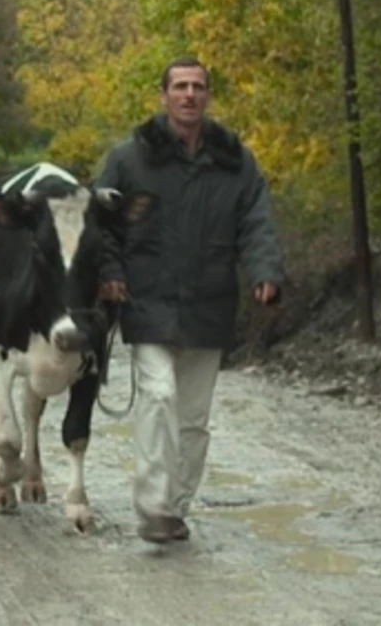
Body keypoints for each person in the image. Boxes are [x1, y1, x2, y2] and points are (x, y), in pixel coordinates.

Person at [95, 56, 286, 545]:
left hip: (209, 302)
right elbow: (100, 223)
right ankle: (154, 505)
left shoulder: (235, 160)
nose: (189, 94)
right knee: (158, 395)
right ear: (163, 96)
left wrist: (264, 270)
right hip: (148, 299)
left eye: (198, 86)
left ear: (208, 96)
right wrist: (110, 273)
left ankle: (175, 508)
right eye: (179, 86)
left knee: (194, 419)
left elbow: (256, 219)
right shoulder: (129, 157)